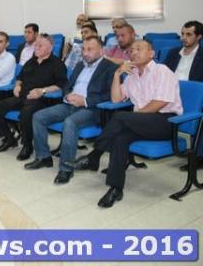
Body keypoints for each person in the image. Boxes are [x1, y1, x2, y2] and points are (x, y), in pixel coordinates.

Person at [65, 40, 183, 208]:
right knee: (120, 139)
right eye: (132, 50)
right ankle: (116, 188)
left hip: (166, 122)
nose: (134, 52)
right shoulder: (132, 75)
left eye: (139, 49)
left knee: (120, 117)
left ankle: (94, 156)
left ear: (151, 54)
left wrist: (133, 117)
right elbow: (116, 99)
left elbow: (160, 102)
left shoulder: (162, 71)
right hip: (142, 122)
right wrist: (117, 75)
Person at [27, 37, 117, 184]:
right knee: (38, 116)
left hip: (91, 109)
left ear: (101, 51)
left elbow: (110, 95)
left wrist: (85, 100)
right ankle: (43, 157)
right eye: (83, 49)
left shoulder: (110, 68)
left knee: (70, 122)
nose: (85, 53)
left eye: (90, 49)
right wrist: (68, 95)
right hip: (69, 104)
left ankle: (66, 169)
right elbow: (67, 85)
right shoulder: (80, 65)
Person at [0, 34, 68, 160]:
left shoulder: (57, 64)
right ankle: (9, 138)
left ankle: (27, 146)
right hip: (23, 96)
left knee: (26, 113)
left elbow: (61, 85)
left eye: (40, 45)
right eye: (36, 45)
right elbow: (20, 77)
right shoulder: (31, 61)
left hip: (42, 99)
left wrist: (42, 90)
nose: (36, 47)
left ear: (50, 48)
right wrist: (17, 86)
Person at [163, 20, 203, 170]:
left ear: (199, 36)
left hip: (194, 97)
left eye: (188, 34)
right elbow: (163, 75)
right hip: (171, 95)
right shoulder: (173, 53)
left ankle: (199, 156)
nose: (183, 38)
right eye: (182, 34)